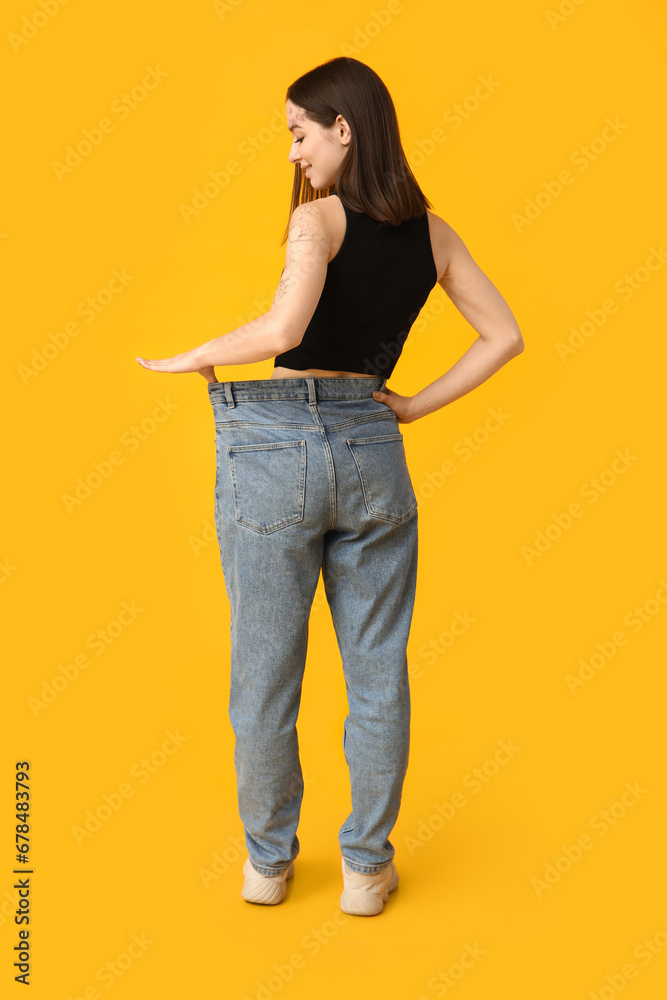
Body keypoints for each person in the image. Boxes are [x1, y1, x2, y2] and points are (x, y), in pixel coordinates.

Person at [135, 56, 524, 916]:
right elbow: (504, 336)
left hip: (274, 449)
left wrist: (196, 354)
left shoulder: (317, 220)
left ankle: (268, 866)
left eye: (298, 133)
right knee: (377, 674)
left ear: (342, 128)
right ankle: (363, 872)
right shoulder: (433, 232)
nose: (292, 154)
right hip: (373, 450)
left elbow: (286, 327)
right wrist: (412, 406)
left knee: (265, 677)